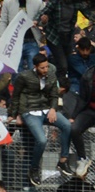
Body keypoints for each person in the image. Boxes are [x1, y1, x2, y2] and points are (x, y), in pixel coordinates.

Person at [10, 52, 76, 185]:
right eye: (42, 68)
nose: (45, 69)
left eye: (46, 66)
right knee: (41, 140)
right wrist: (14, 114)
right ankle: (34, 169)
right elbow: (16, 95)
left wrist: (53, 109)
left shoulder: (51, 75)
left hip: (46, 109)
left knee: (67, 126)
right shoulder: (24, 77)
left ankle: (63, 160)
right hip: (29, 111)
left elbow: (54, 95)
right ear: (35, 67)